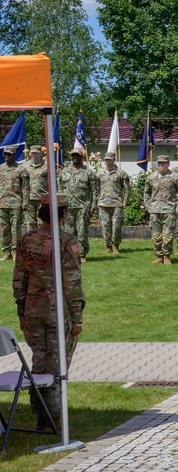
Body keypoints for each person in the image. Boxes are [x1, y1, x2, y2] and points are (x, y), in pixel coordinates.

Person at [12, 193, 85, 432]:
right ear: (63, 214)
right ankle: (53, 418)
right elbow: (72, 283)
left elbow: (19, 280)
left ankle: (41, 416)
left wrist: (21, 311)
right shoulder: (66, 241)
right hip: (58, 312)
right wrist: (77, 317)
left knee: (39, 362)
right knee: (57, 365)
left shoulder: (27, 239)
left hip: (33, 310)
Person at [58, 148, 98, 263]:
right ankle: (72, 253)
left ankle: (81, 254)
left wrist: (93, 205)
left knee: (81, 233)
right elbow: (60, 189)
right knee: (69, 233)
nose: (75, 157)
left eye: (77, 155)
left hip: (82, 207)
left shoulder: (88, 172)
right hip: (68, 207)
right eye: (73, 155)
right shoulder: (64, 171)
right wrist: (60, 204)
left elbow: (95, 190)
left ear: (81, 157)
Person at [143, 155, 178, 264]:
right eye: (159, 163)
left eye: (163, 163)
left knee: (168, 235)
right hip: (155, 211)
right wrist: (147, 205)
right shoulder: (151, 178)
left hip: (169, 211)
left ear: (168, 164)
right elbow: (146, 193)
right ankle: (159, 255)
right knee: (156, 236)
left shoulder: (175, 178)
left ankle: (167, 256)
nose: (161, 165)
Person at [97, 152, 130, 254]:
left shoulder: (121, 173)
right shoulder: (100, 173)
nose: (108, 162)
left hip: (117, 203)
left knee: (116, 226)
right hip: (103, 203)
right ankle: (108, 246)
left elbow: (127, 190)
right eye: (106, 160)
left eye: (110, 160)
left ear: (114, 160)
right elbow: (96, 189)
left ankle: (116, 246)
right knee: (105, 225)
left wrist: (125, 201)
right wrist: (96, 201)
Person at [0, 146, 27, 261]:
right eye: (5, 154)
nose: (6, 156)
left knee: (15, 229)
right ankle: (6, 252)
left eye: (9, 154)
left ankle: (16, 251)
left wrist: (25, 203)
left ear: (14, 155)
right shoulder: (0, 168)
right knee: (4, 228)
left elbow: (26, 188)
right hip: (2, 203)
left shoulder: (21, 169)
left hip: (16, 203)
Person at [23, 146, 49, 232]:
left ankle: (42, 243)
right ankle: (32, 242)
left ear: (40, 153)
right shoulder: (25, 165)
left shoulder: (47, 165)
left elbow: (53, 181)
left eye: (36, 153)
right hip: (29, 198)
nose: (34, 155)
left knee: (42, 222)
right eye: (32, 153)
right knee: (30, 223)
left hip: (42, 199)